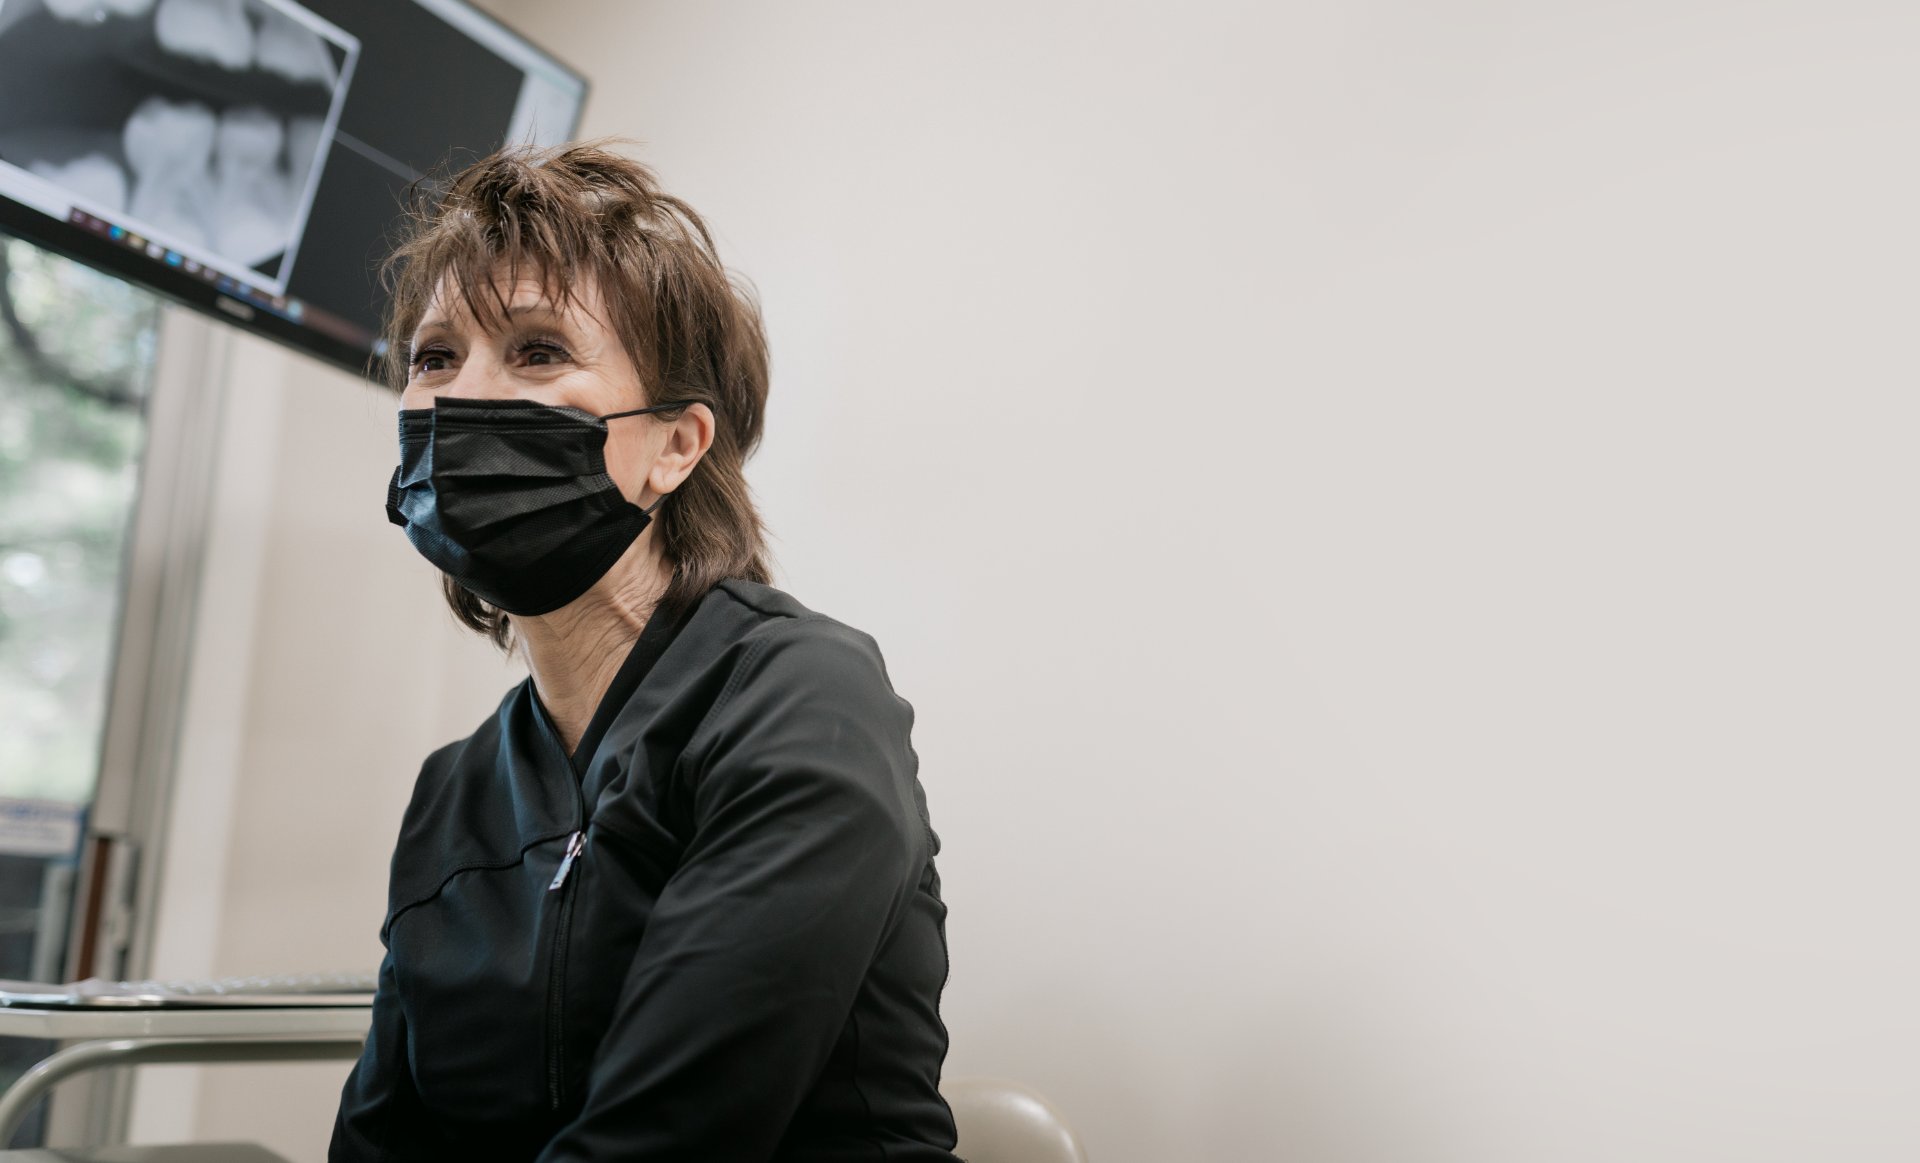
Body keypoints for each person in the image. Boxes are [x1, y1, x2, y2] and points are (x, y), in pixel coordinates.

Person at [329, 143, 960, 1163]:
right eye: (435, 356)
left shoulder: (805, 706)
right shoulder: (455, 792)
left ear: (676, 443)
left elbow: (664, 1141)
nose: (457, 398)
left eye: (537, 351)